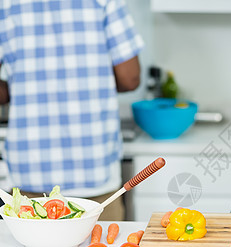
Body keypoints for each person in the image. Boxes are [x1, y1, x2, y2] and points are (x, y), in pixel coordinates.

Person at [0, 0, 144, 220]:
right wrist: (93, 80)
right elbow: (130, 77)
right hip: (95, 171)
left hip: (30, 173)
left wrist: (22, 84)